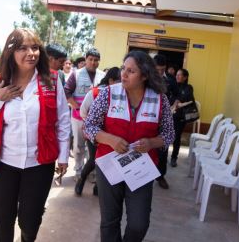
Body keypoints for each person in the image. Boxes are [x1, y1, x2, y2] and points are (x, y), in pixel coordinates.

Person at [0, 28, 70, 242]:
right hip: (3, 164)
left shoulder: (52, 81)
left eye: (35, 47)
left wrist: (64, 156)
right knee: (2, 221)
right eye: (22, 48)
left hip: (39, 164)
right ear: (10, 52)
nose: (31, 53)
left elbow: (63, 121)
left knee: (30, 221)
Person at [84, 51, 174, 242]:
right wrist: (110, 139)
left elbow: (169, 134)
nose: (123, 74)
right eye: (124, 68)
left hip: (141, 167)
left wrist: (151, 143)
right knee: (109, 221)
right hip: (109, 165)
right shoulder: (108, 94)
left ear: (144, 75)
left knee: (139, 224)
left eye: (131, 71)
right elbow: (89, 126)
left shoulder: (159, 100)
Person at [75, 66, 121, 196]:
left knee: (107, 161)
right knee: (94, 160)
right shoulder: (95, 93)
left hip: (113, 134)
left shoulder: (122, 95)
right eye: (119, 80)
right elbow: (83, 112)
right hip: (95, 134)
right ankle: (81, 180)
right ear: (111, 81)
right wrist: (92, 126)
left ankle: (97, 186)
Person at [64, 48, 105, 180]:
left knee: (93, 147)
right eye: (90, 59)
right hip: (78, 117)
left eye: (96, 60)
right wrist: (76, 107)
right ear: (86, 59)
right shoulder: (76, 74)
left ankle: (91, 171)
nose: (93, 62)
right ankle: (78, 170)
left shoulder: (102, 76)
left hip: (96, 120)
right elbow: (67, 92)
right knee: (78, 145)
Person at [153, 54, 178, 189]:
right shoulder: (144, 79)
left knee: (163, 148)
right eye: (157, 69)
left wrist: (175, 104)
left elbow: (177, 94)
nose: (160, 72)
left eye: (162, 69)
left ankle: (160, 176)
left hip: (164, 119)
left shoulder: (170, 80)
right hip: (148, 118)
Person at [170, 68, 195, 167]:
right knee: (167, 136)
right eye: (177, 74)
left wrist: (177, 100)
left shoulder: (188, 87)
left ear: (185, 77)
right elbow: (169, 97)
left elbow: (187, 97)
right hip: (170, 115)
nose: (177, 76)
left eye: (180, 75)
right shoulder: (172, 86)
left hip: (180, 117)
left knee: (176, 137)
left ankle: (174, 158)